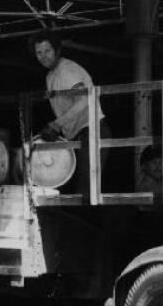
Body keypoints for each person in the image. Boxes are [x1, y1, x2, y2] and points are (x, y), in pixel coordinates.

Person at [31, 34, 110, 194]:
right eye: (39, 52)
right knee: (74, 186)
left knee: (87, 190)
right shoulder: (50, 75)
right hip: (78, 135)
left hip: (92, 131)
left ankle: (90, 218)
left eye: (47, 51)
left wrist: (56, 124)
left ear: (57, 50)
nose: (43, 56)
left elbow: (84, 100)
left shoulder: (67, 71)